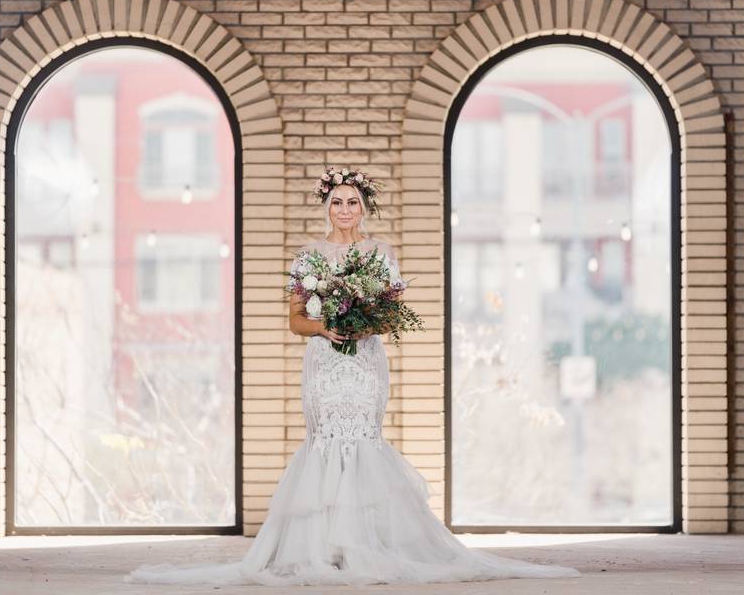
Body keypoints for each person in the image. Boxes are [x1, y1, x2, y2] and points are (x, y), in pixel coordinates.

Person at [126, 168, 581, 586]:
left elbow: (392, 313)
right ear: (327, 207)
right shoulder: (309, 256)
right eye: (338, 202)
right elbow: (295, 320)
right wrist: (326, 326)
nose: (345, 209)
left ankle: (367, 544)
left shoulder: (381, 253)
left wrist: (363, 324)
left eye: (353, 201)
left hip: (364, 362)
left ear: (364, 207)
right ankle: (322, 546)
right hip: (325, 362)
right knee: (324, 441)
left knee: (364, 439)